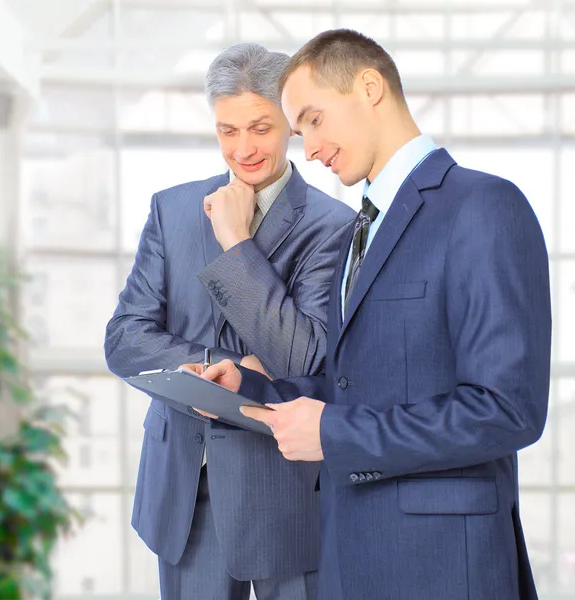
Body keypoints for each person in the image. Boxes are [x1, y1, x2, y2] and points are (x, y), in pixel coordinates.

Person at [196, 29, 552, 600]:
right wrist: (254, 388)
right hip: (347, 555)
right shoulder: (358, 229)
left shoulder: (484, 207)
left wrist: (333, 432)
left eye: (312, 120)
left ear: (368, 87)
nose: (306, 148)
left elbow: (507, 410)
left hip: (441, 565)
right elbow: (355, 382)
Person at [104, 42, 354, 600]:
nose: (243, 149)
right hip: (183, 489)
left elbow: (300, 357)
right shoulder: (172, 210)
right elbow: (124, 338)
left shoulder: (333, 227)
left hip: (286, 489)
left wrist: (236, 241)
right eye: (227, 131)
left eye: (260, 128)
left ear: (290, 123)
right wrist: (227, 365)